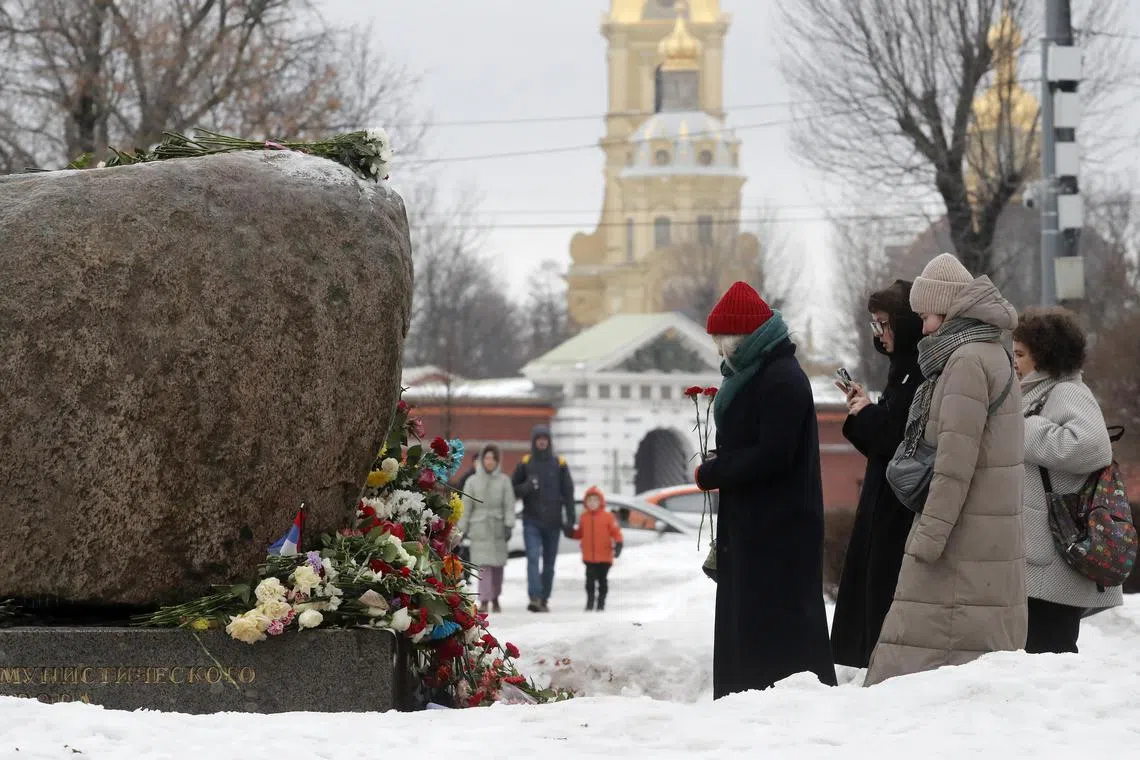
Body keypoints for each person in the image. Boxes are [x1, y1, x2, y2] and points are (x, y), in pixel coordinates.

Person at [865, 253, 1026, 686]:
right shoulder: (990, 350)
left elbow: (955, 463)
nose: (923, 327)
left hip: (960, 536)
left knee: (922, 663)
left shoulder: (966, 362)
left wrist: (928, 538)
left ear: (949, 308)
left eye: (926, 315)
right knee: (973, 666)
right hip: (985, 533)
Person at [694, 281, 837, 698]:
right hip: (757, 523)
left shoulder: (781, 380)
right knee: (751, 620)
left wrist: (717, 471)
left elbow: (775, 454)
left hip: (779, 528)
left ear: (744, 337)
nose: (720, 348)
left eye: (723, 339)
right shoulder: (756, 375)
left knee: (775, 626)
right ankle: (747, 695)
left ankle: (773, 699)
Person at [1013, 307, 1121, 653]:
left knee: (1051, 650)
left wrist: (1023, 428)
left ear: (1043, 356)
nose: (1013, 362)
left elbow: (1092, 448)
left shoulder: (1067, 391)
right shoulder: (1038, 390)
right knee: (1039, 650)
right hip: (1042, 548)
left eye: (1020, 354)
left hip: (1056, 550)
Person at [830, 280, 924, 669]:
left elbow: (901, 439)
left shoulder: (917, 372)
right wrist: (863, 410)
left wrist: (868, 413)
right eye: (875, 325)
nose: (880, 334)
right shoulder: (900, 369)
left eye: (884, 324)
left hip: (897, 504)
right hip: (882, 497)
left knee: (883, 587)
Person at [512, 425, 575, 613]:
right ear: (534, 441)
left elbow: (568, 493)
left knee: (549, 563)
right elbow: (513, 488)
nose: (542, 441)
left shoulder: (559, 464)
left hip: (553, 522)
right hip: (531, 521)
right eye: (538, 438)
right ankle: (535, 596)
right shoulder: (525, 463)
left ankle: (544, 597)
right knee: (532, 558)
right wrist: (527, 487)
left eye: (545, 438)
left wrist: (570, 519)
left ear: (549, 441)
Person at [458, 444, 515, 614]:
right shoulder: (472, 481)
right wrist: (462, 529)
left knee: (497, 566)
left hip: (498, 528)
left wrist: (508, 525)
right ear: (482, 460)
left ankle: (495, 597)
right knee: (483, 567)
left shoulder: (504, 481)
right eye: (487, 458)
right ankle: (484, 599)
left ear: (498, 461)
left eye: (493, 458)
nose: (489, 462)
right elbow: (466, 507)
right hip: (479, 528)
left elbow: (509, 505)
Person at [571, 486, 624, 612]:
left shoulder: (608, 517)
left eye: (595, 500)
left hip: (604, 556)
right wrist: (570, 533)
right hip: (589, 556)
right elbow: (580, 533)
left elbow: (616, 532)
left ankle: (601, 603)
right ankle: (590, 602)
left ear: (601, 502)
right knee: (589, 582)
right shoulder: (584, 517)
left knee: (602, 581)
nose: (592, 503)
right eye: (590, 501)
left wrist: (618, 544)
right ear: (586, 502)